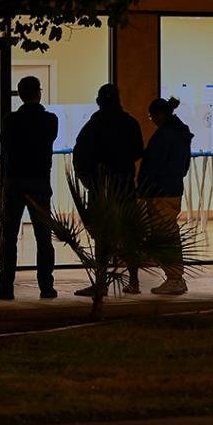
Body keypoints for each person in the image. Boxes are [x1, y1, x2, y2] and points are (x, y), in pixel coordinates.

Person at [0, 76, 58, 301]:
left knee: (9, 237)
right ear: (39, 93)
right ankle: (46, 286)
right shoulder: (50, 120)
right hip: (40, 182)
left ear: (20, 94)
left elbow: (6, 146)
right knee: (43, 237)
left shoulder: (10, 120)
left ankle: (5, 286)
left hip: (15, 182)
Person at [73, 83, 144, 295]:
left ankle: (101, 282)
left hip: (101, 188)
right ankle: (134, 281)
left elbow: (80, 154)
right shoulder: (130, 123)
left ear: (98, 102)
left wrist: (88, 180)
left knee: (102, 236)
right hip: (125, 186)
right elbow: (138, 150)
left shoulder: (93, 125)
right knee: (129, 235)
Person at [138, 96, 194, 295]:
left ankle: (174, 277)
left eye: (151, 116)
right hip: (172, 188)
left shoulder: (165, 135)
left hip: (160, 191)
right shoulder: (181, 134)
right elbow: (183, 166)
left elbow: (153, 165)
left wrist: (143, 188)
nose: (152, 120)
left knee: (166, 234)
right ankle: (174, 276)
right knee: (168, 232)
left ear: (159, 114)